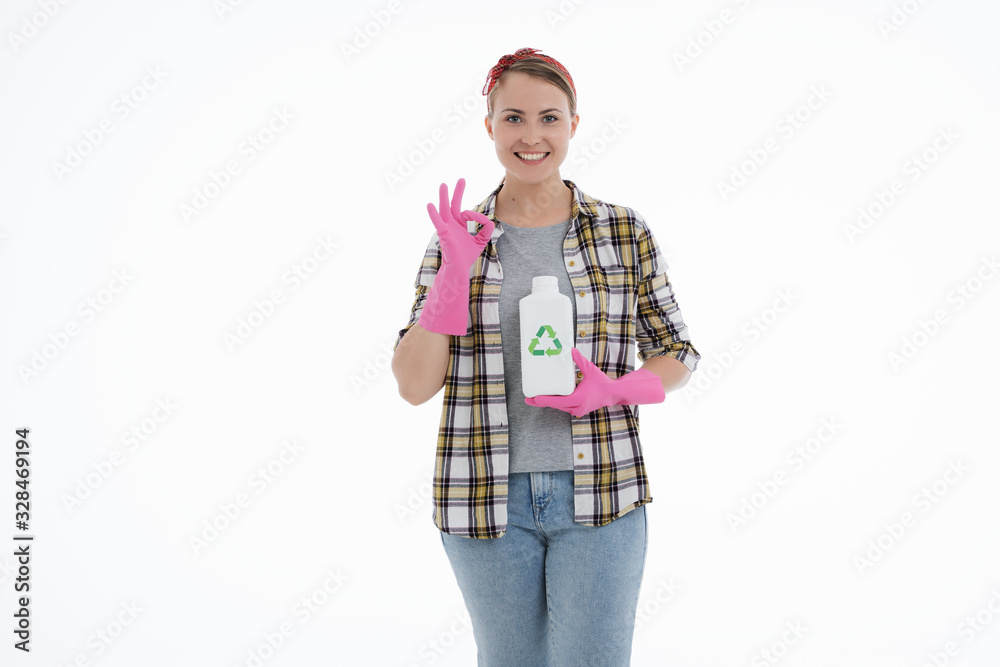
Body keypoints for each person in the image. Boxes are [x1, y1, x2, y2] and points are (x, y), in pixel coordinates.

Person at [391, 47, 701, 667]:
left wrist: (613, 390)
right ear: (489, 125)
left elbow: (678, 353)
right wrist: (455, 272)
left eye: (549, 118)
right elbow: (414, 385)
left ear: (574, 124)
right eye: (512, 118)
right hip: (482, 493)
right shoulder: (458, 234)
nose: (531, 137)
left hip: (603, 490)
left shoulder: (622, 231)